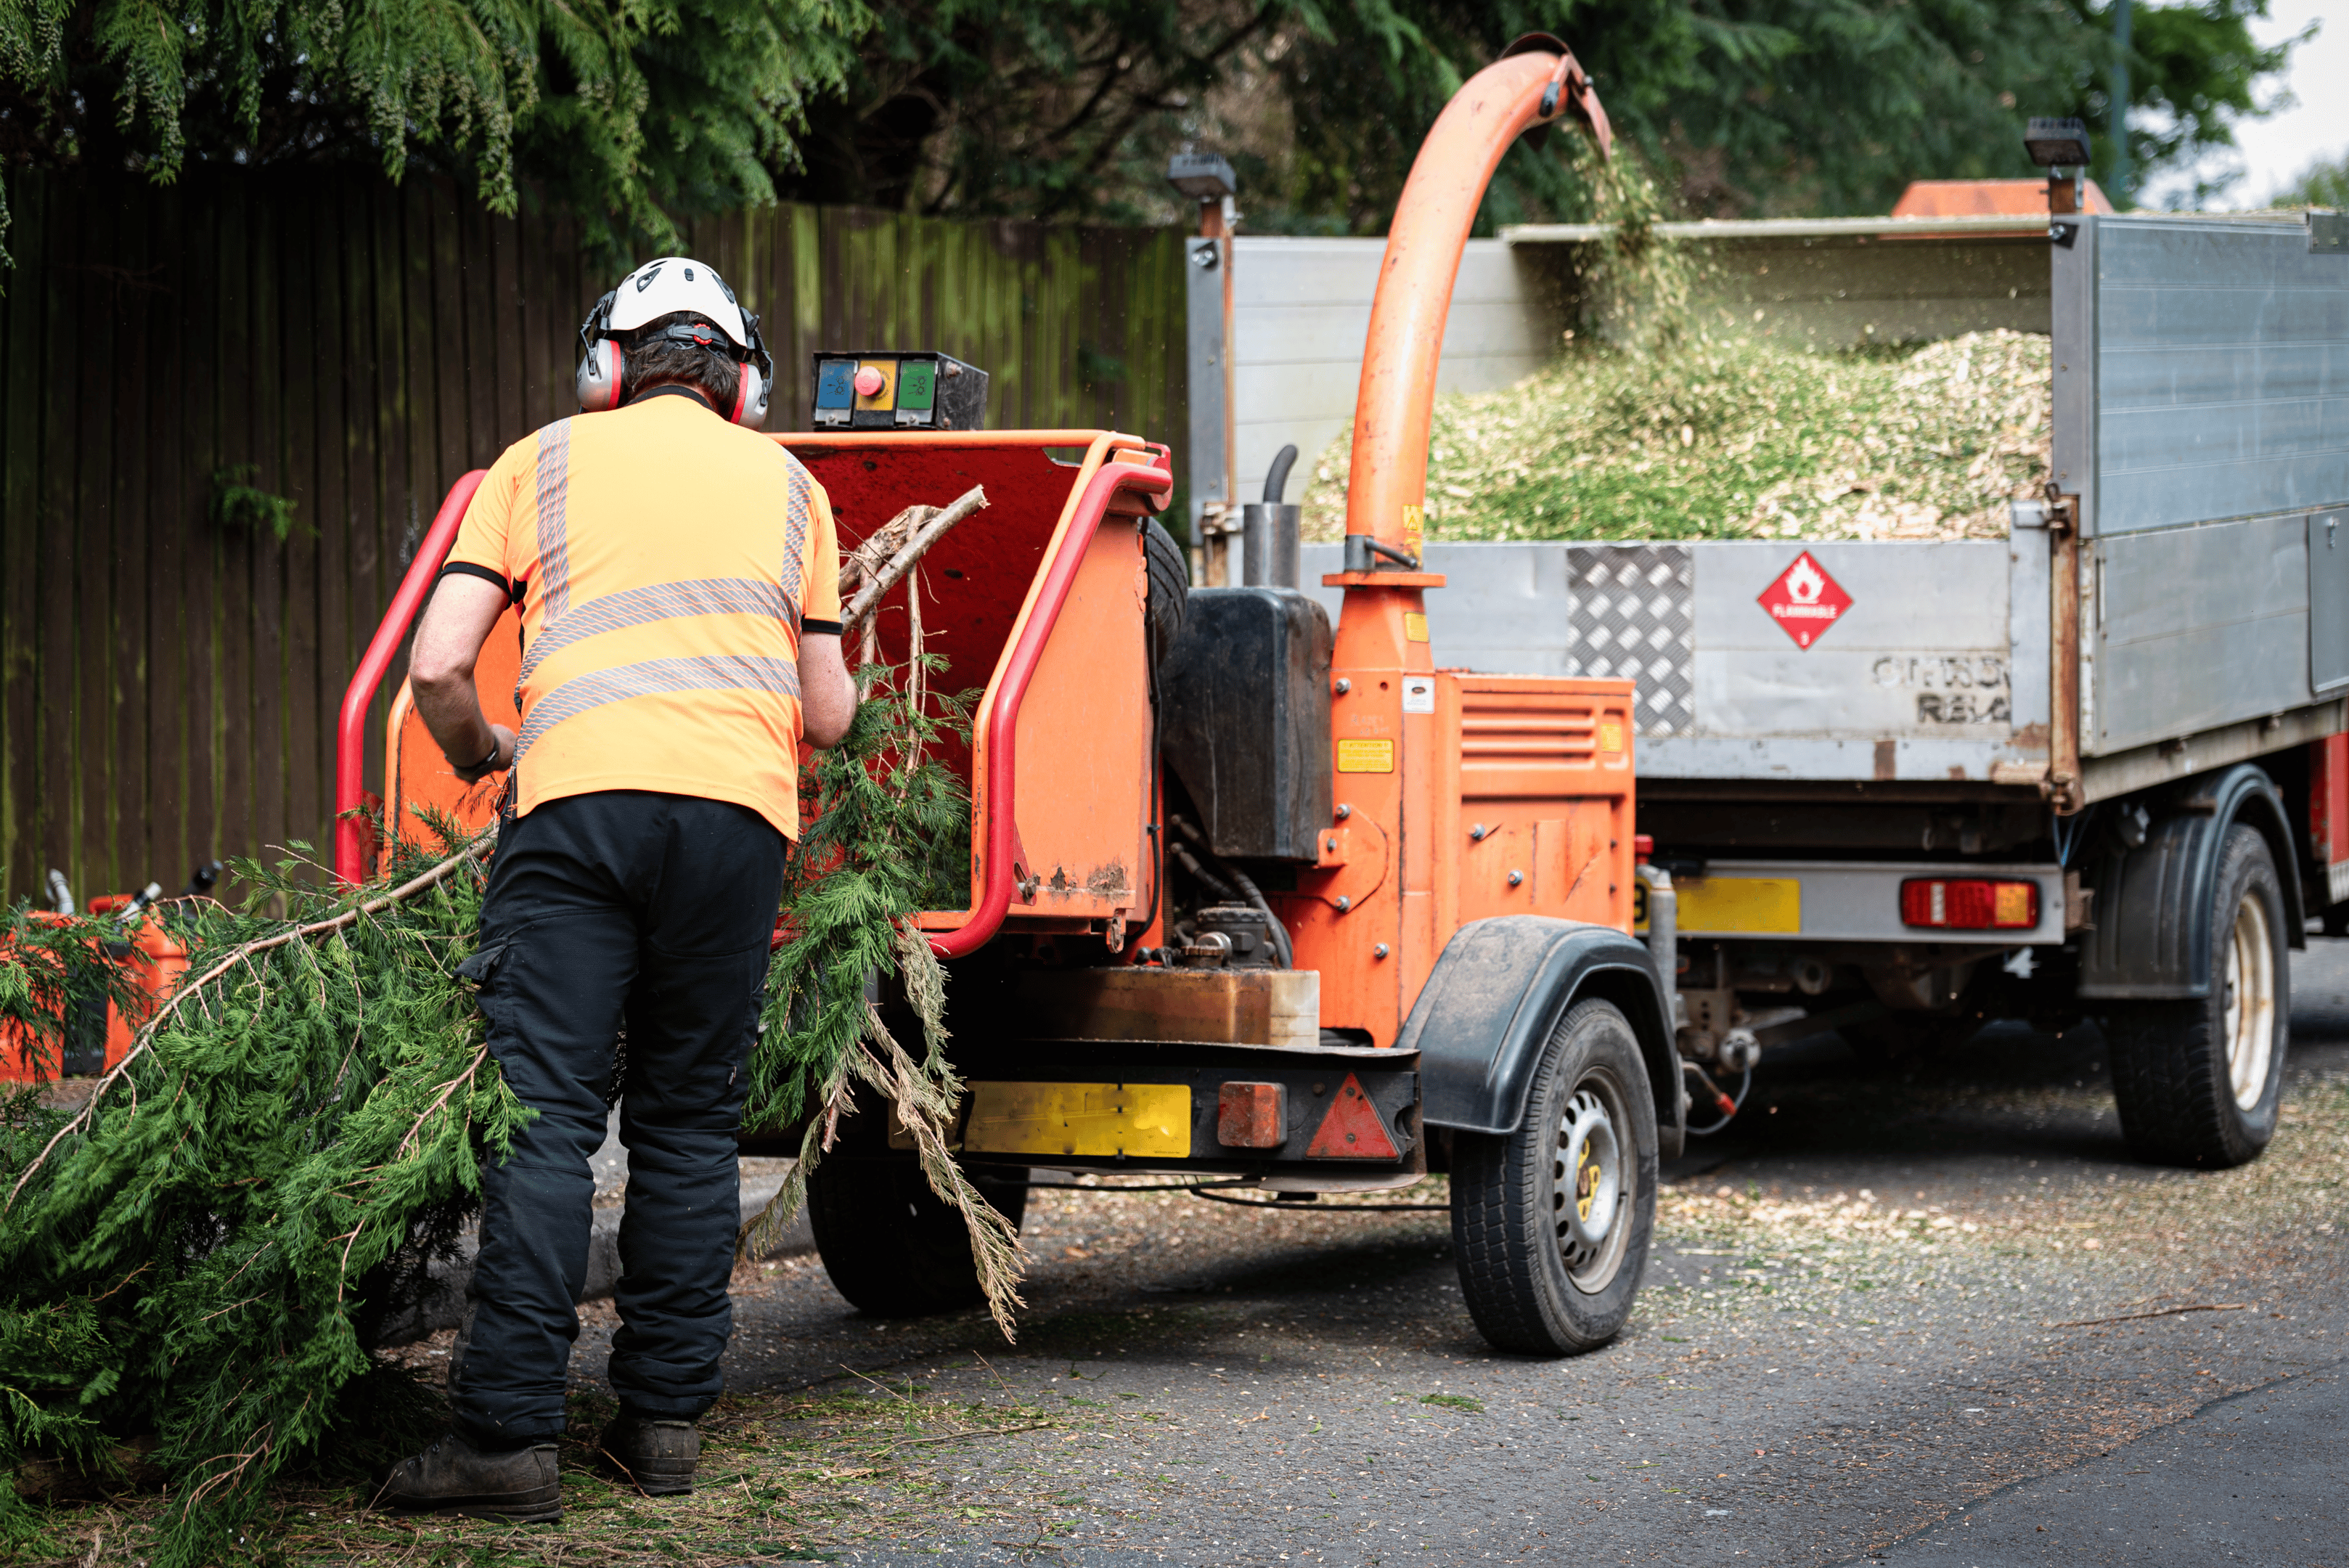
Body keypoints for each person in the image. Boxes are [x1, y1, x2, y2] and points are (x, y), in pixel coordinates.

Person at [381, 256, 856, 1522]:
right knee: (690, 1128)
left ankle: (505, 1445)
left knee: (544, 1121)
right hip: (735, 827)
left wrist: (489, 755)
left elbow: (435, 669)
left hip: (576, 814)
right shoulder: (796, 488)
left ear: (608, 366)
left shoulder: (537, 463)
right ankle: (662, 1435)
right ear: (742, 381)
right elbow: (829, 712)